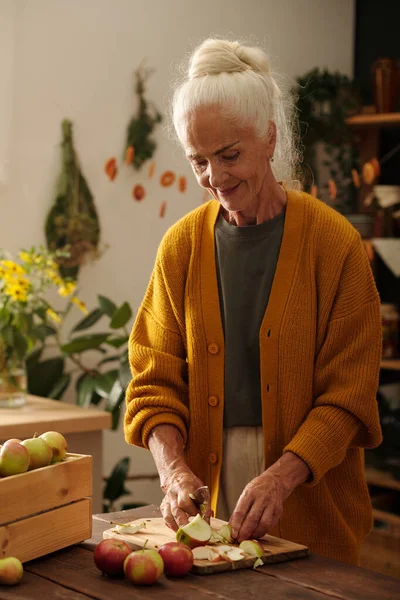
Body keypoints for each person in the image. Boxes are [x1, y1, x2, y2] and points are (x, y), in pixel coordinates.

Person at [124, 38, 382, 564]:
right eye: (198, 161)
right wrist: (173, 469)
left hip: (311, 511)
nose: (214, 179)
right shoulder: (180, 247)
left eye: (229, 155)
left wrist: (283, 477)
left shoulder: (334, 244)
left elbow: (349, 397)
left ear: (269, 138)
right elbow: (154, 381)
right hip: (204, 526)